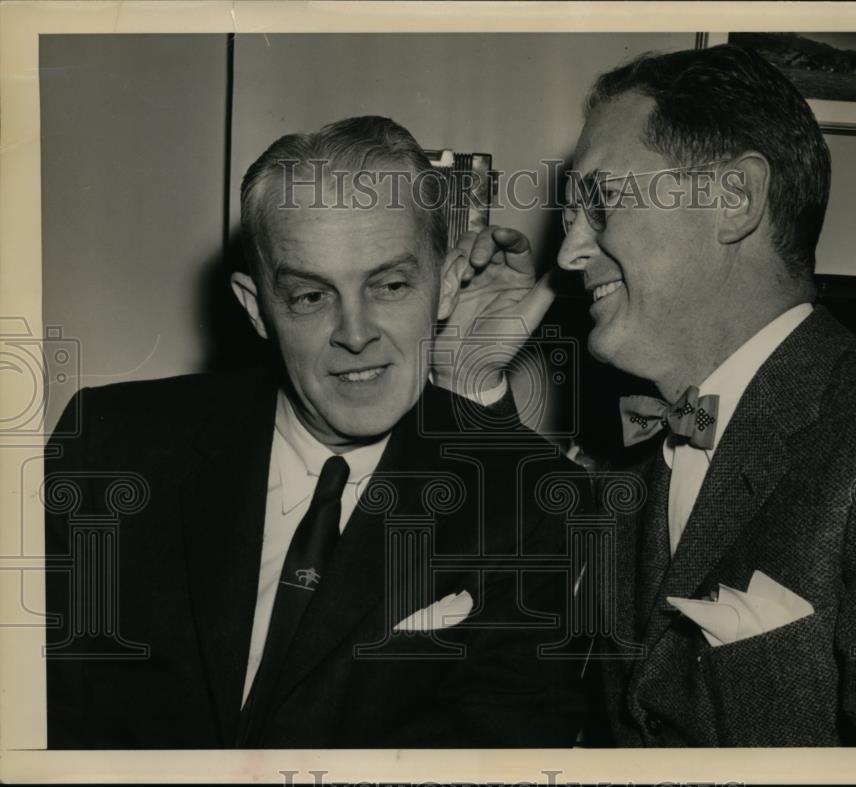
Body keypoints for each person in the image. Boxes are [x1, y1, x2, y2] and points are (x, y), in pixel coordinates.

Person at [447, 45, 856, 746]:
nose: (570, 253)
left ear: (733, 200)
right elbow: (510, 667)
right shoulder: (622, 449)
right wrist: (469, 379)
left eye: (601, 204)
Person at [44, 116, 587, 749]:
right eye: (310, 296)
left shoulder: (538, 507)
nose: (355, 334)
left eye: (389, 285)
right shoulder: (109, 448)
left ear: (444, 285)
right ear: (256, 308)